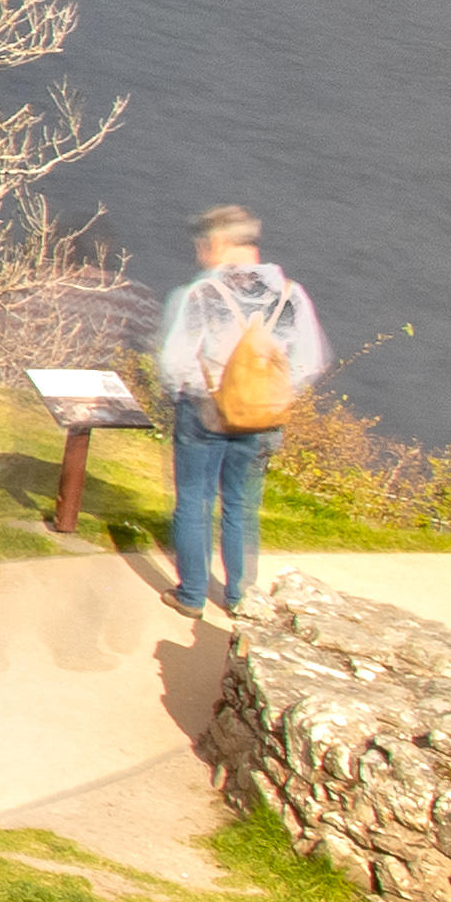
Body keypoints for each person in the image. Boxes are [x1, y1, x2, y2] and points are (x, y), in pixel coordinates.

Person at [150, 206, 328, 617]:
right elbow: (310, 362)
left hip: (205, 413)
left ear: (217, 244)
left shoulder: (202, 294)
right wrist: (270, 394)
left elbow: (175, 363)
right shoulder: (290, 294)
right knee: (242, 506)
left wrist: (200, 392)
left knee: (194, 500)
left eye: (202, 245)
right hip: (263, 418)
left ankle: (192, 595)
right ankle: (240, 598)